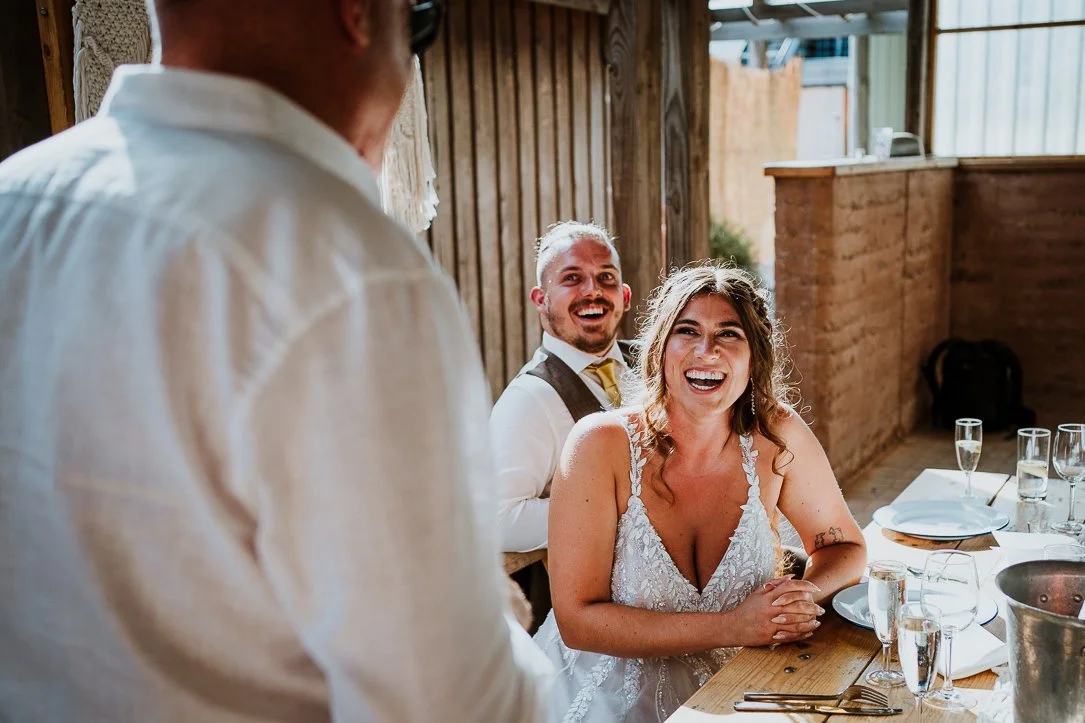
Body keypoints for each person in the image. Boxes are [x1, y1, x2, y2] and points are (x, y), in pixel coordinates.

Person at [0, 1, 550, 722]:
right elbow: (446, 703)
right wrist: (491, 610)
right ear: (357, 13)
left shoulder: (16, 199)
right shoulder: (344, 264)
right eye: (416, 24)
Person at [535, 262, 867, 722]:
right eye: (687, 331)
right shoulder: (599, 445)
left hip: (737, 683)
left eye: (729, 334)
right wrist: (734, 625)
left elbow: (845, 546)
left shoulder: (777, 435)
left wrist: (800, 597)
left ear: (755, 358)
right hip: (601, 694)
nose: (706, 351)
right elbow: (577, 621)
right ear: (659, 350)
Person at [491, 221, 633, 555]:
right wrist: (622, 513)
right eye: (572, 278)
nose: (593, 291)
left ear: (624, 296)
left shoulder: (655, 363)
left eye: (606, 278)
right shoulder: (529, 400)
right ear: (541, 299)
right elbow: (496, 520)